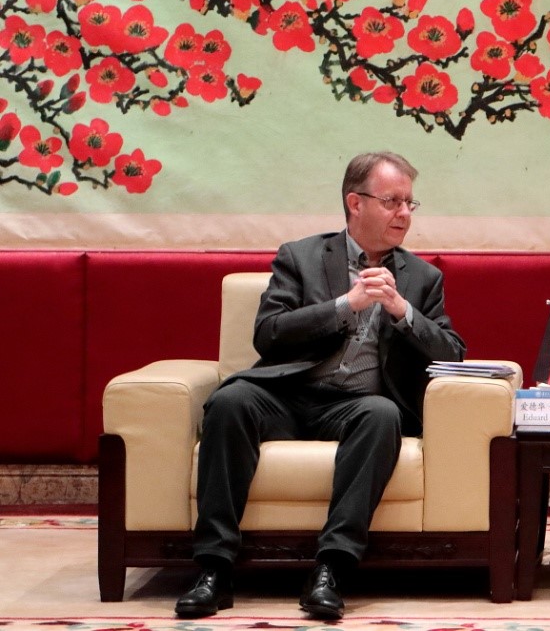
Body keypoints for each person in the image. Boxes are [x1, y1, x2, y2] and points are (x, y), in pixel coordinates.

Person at [175, 151, 466, 621]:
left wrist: (402, 311)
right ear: (355, 202)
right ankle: (214, 568)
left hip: (356, 406)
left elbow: (452, 352)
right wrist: (345, 305)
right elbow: (268, 333)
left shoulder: (422, 278)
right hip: (286, 395)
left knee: (383, 415)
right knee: (230, 401)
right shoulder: (301, 257)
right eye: (392, 201)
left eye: (410, 203)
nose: (404, 213)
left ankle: (331, 569)